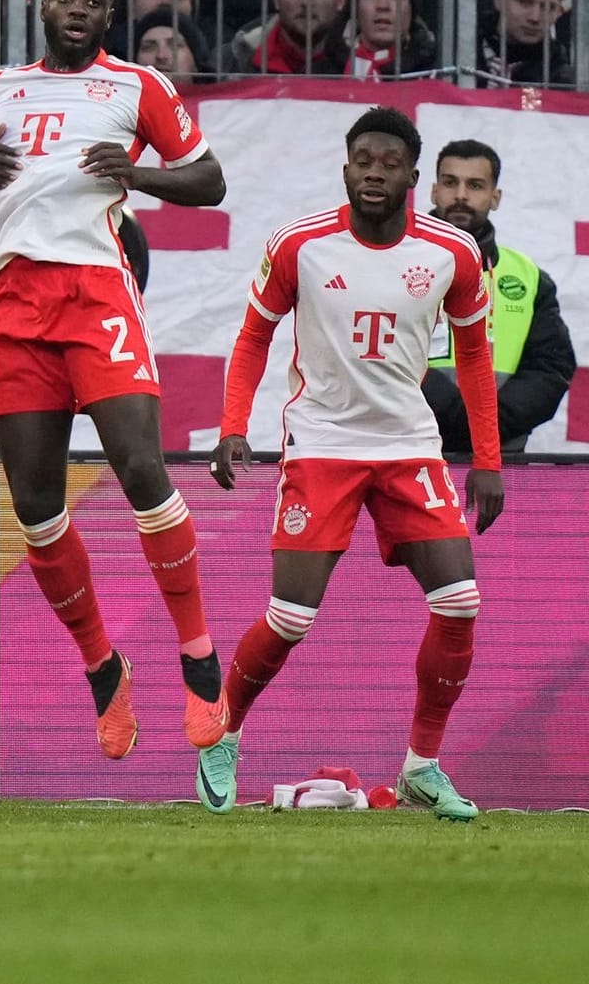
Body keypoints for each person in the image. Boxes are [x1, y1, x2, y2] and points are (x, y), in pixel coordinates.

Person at [0, 0, 230, 765]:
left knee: (143, 467)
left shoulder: (137, 86)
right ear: (43, 4)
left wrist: (137, 171)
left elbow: (209, 179)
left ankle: (198, 654)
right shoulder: (0, 87)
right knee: (36, 508)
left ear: (109, 15)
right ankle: (104, 666)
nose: (78, 7)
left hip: (95, 292)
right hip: (10, 302)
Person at [206, 108, 505, 821]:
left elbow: (474, 355)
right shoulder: (300, 245)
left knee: (460, 600)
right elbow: (254, 337)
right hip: (323, 444)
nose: (375, 170)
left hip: (408, 445)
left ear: (413, 177)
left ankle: (422, 765)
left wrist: (487, 460)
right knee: (291, 615)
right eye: (362, 158)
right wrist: (232, 425)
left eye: (389, 161)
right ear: (346, 168)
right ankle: (223, 729)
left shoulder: (452, 253)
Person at [423, 139, 576, 454]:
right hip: (408, 449)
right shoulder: (395, 263)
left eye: (475, 185)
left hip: (501, 456)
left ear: (495, 197)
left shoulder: (528, 277)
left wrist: (487, 422)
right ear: (434, 191)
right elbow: (376, 354)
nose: (461, 195)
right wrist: (455, 414)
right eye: (451, 183)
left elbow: (552, 368)